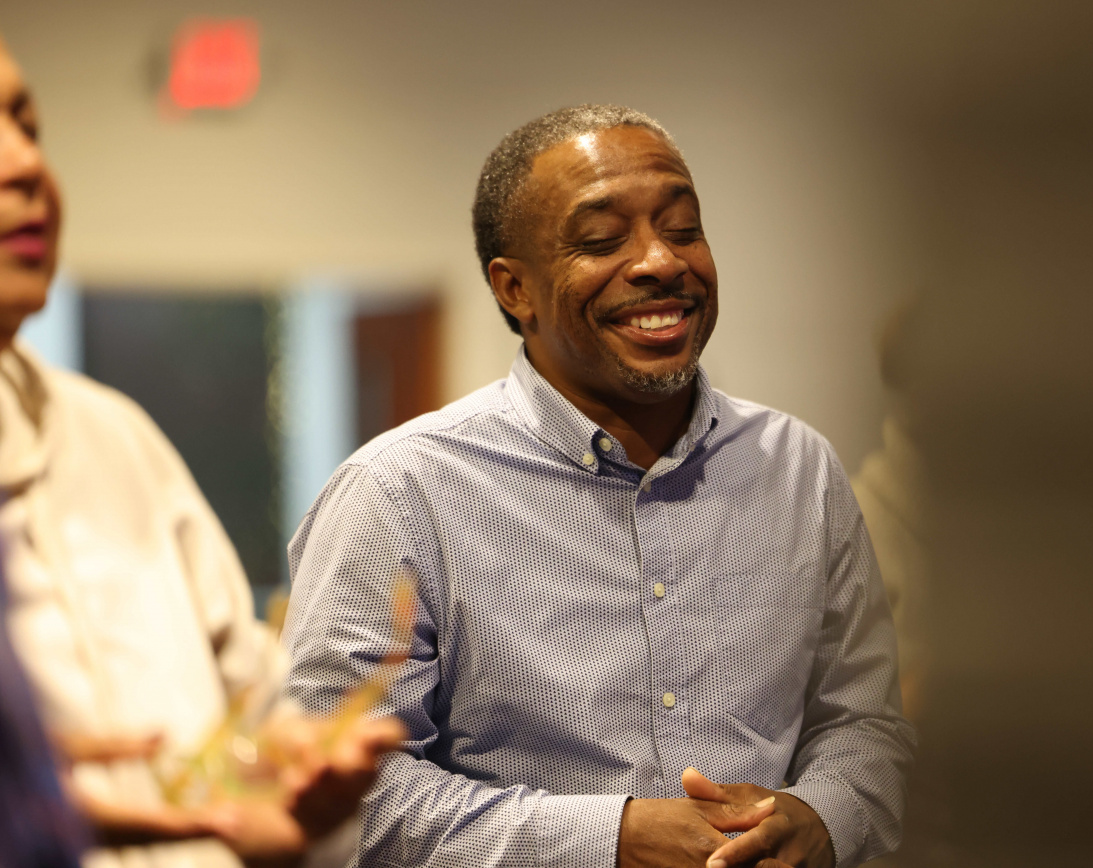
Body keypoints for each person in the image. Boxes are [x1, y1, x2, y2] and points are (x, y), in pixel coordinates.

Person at [282, 105, 914, 868]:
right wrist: (609, 840)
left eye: (682, 228)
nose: (660, 261)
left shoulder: (797, 469)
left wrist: (820, 817)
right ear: (515, 289)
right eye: (601, 240)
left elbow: (866, 725)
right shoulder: (398, 495)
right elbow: (340, 804)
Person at [0, 34, 402, 867]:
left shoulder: (112, 437)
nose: (26, 165)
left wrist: (292, 771)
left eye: (27, 125)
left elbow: (251, 715)